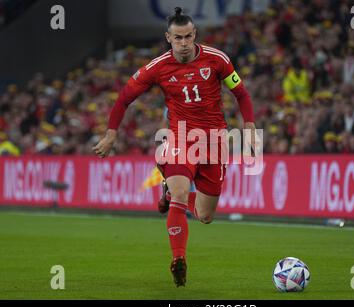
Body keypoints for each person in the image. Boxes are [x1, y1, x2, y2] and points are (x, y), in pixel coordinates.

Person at [93, 7, 256, 287]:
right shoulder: (156, 68)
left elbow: (240, 93)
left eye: (188, 37)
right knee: (181, 192)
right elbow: (123, 99)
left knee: (205, 216)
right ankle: (178, 260)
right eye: (178, 38)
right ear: (168, 37)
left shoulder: (217, 60)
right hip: (181, 138)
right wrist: (110, 135)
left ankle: (169, 197)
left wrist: (250, 127)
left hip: (215, 142)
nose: (183, 43)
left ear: (195, 35)